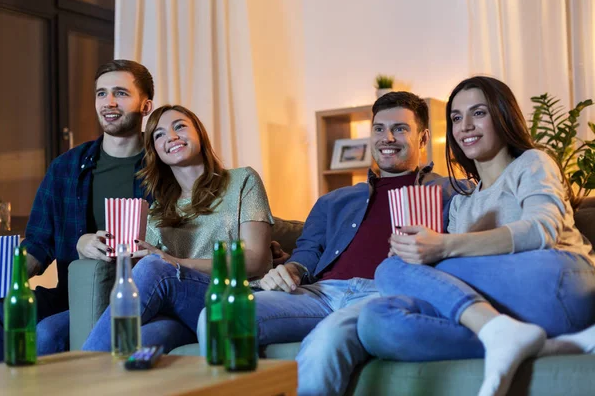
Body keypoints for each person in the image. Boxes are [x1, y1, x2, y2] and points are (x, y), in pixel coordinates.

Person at [197, 91, 470, 396]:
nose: (387, 137)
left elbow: (462, 251)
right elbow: (307, 253)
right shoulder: (336, 200)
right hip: (319, 294)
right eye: (379, 129)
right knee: (219, 314)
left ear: (423, 138)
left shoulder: (451, 193)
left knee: (326, 338)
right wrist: (289, 271)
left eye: (400, 129)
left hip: (381, 296)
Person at [357, 76, 595, 396]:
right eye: (456, 118)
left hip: (561, 279)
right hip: (513, 309)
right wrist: (417, 257)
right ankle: (520, 338)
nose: (465, 125)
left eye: (478, 113)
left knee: (392, 269)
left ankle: (499, 330)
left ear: (503, 115)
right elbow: (454, 279)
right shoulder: (461, 204)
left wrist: (441, 247)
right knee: (376, 321)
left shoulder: (532, 163)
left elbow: (542, 230)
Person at [0, 59, 155, 362]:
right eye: (101, 93)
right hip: (69, 297)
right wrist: (5, 278)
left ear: (145, 106)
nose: (108, 102)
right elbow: (39, 243)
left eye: (120, 93)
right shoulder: (66, 167)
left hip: (136, 298)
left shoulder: (162, 167)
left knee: (47, 335)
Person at [82, 104, 274, 352]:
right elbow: (140, 271)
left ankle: (83, 368)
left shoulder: (242, 180)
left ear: (199, 134)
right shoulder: (156, 212)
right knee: (137, 341)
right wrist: (89, 243)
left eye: (180, 126)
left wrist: (174, 261)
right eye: (159, 134)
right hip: (183, 309)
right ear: (155, 151)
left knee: (155, 265)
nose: (170, 137)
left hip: (234, 295)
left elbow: (255, 260)